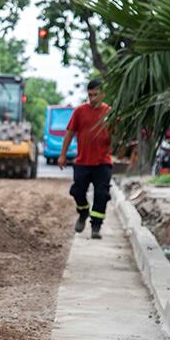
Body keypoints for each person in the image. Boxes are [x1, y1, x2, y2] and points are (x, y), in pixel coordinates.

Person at [58, 79, 112, 239]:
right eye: (90, 95)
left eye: (96, 95)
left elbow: (117, 132)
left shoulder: (109, 112)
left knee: (102, 194)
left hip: (103, 162)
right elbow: (69, 132)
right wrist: (62, 155)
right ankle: (83, 212)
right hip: (82, 162)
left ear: (102, 94)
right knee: (77, 191)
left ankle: (96, 226)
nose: (92, 98)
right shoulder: (80, 111)